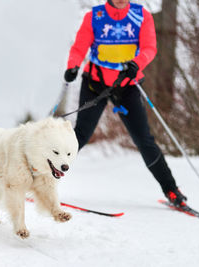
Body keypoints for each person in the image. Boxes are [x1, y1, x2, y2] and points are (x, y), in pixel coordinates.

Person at [63, 0, 187, 206]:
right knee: (80, 136)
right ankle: (41, 179)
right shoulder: (95, 16)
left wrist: (137, 64)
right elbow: (79, 48)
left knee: (144, 140)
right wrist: (73, 66)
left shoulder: (141, 16)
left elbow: (149, 48)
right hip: (96, 83)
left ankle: (172, 190)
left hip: (127, 85)